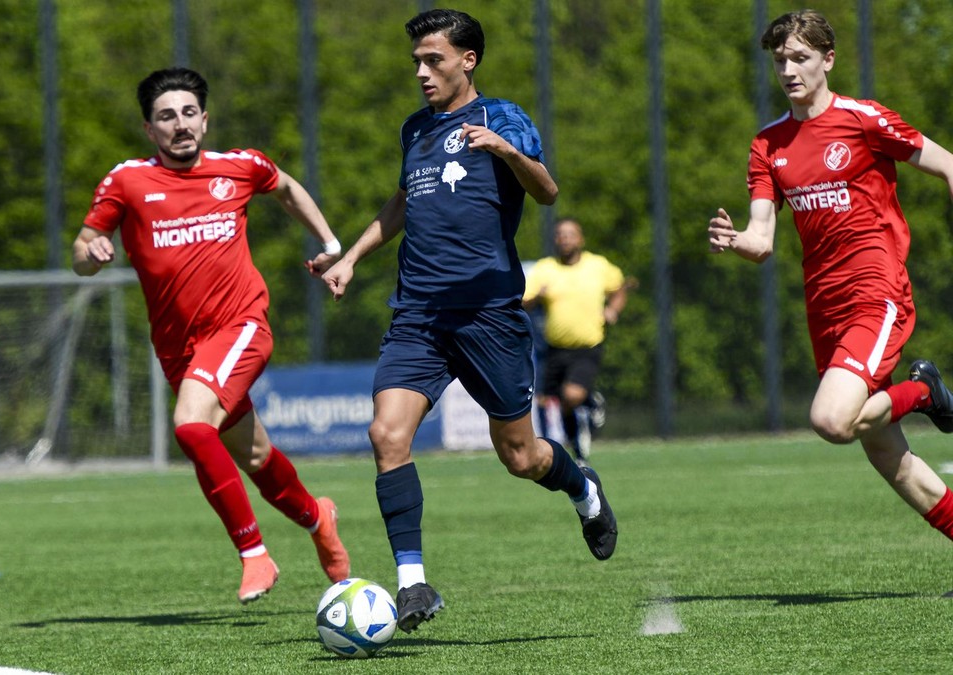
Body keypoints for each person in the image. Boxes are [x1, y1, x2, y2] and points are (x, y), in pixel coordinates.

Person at [321, 9, 617, 633]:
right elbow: (403, 200)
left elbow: (547, 191)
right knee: (386, 435)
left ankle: (582, 488)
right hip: (419, 313)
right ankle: (413, 585)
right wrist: (350, 257)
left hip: (489, 315)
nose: (423, 73)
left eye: (434, 60)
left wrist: (507, 150)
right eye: (416, 63)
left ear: (467, 60)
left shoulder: (502, 117)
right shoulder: (414, 129)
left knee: (519, 456)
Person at [72, 67, 349, 604]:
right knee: (253, 457)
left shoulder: (240, 166)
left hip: (240, 325)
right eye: (166, 116)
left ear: (205, 118)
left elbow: (287, 188)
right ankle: (320, 519)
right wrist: (93, 255)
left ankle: (254, 555)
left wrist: (330, 242)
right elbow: (83, 246)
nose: (181, 124)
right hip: (178, 348)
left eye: (189, 113)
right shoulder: (126, 181)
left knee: (190, 425)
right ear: (149, 130)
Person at [708, 9, 953, 544]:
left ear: (828, 59)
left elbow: (948, 165)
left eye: (800, 57)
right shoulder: (767, 145)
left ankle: (926, 392)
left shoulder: (863, 119)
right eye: (780, 60)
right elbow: (763, 239)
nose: (789, 70)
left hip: (877, 292)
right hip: (824, 307)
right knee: (889, 456)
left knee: (832, 421)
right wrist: (738, 242)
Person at [522, 217, 632, 464]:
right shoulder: (546, 268)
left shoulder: (597, 265)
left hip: (588, 346)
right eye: (560, 234)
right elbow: (524, 302)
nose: (565, 238)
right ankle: (579, 453)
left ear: (580, 239)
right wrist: (536, 297)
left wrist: (613, 309)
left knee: (571, 396)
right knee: (559, 402)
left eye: (570, 234)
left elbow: (620, 287)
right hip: (555, 348)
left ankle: (590, 399)